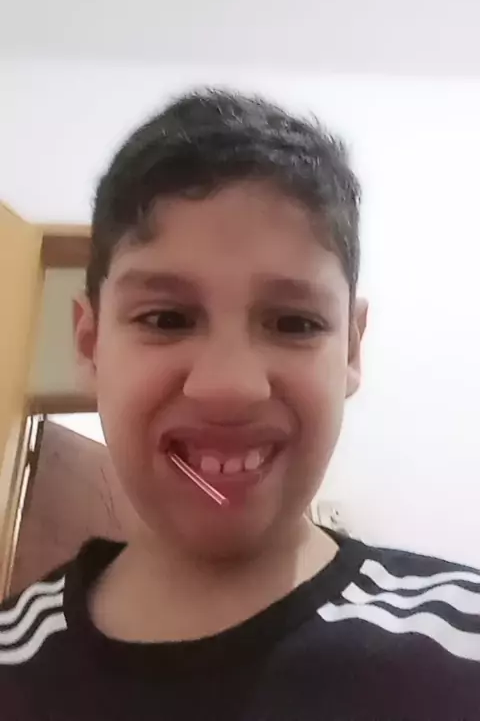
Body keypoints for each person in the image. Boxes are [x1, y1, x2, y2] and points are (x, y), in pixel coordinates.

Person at [1, 90, 479, 720]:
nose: (229, 387)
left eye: (294, 323)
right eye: (166, 318)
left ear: (351, 350)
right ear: (90, 346)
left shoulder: (461, 649)